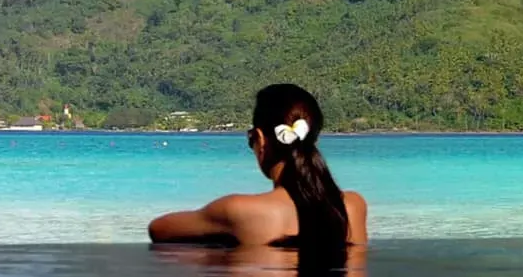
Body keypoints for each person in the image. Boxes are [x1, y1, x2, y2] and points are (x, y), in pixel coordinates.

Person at [147, 83, 368, 249]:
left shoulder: (238, 211)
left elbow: (158, 229)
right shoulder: (353, 206)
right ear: (314, 140)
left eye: (250, 138)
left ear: (261, 140)